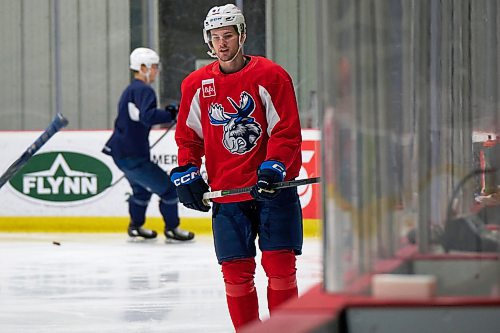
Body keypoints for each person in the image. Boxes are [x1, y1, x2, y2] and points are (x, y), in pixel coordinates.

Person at [169, 4, 303, 330]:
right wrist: (186, 169)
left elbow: (285, 131)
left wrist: (274, 167)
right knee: (235, 273)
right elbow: (189, 138)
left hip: (274, 190)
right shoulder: (196, 84)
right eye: (215, 37)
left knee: (280, 265)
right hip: (228, 197)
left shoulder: (270, 75)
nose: (222, 43)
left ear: (242, 35)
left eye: (228, 35)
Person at [103, 47, 194, 242]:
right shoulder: (144, 90)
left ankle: (136, 226)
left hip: (123, 153)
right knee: (169, 189)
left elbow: (138, 116)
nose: (156, 71)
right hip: (132, 156)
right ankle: (172, 229)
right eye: (154, 67)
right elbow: (147, 116)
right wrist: (171, 114)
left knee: (141, 191)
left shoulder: (131, 90)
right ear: (143, 67)